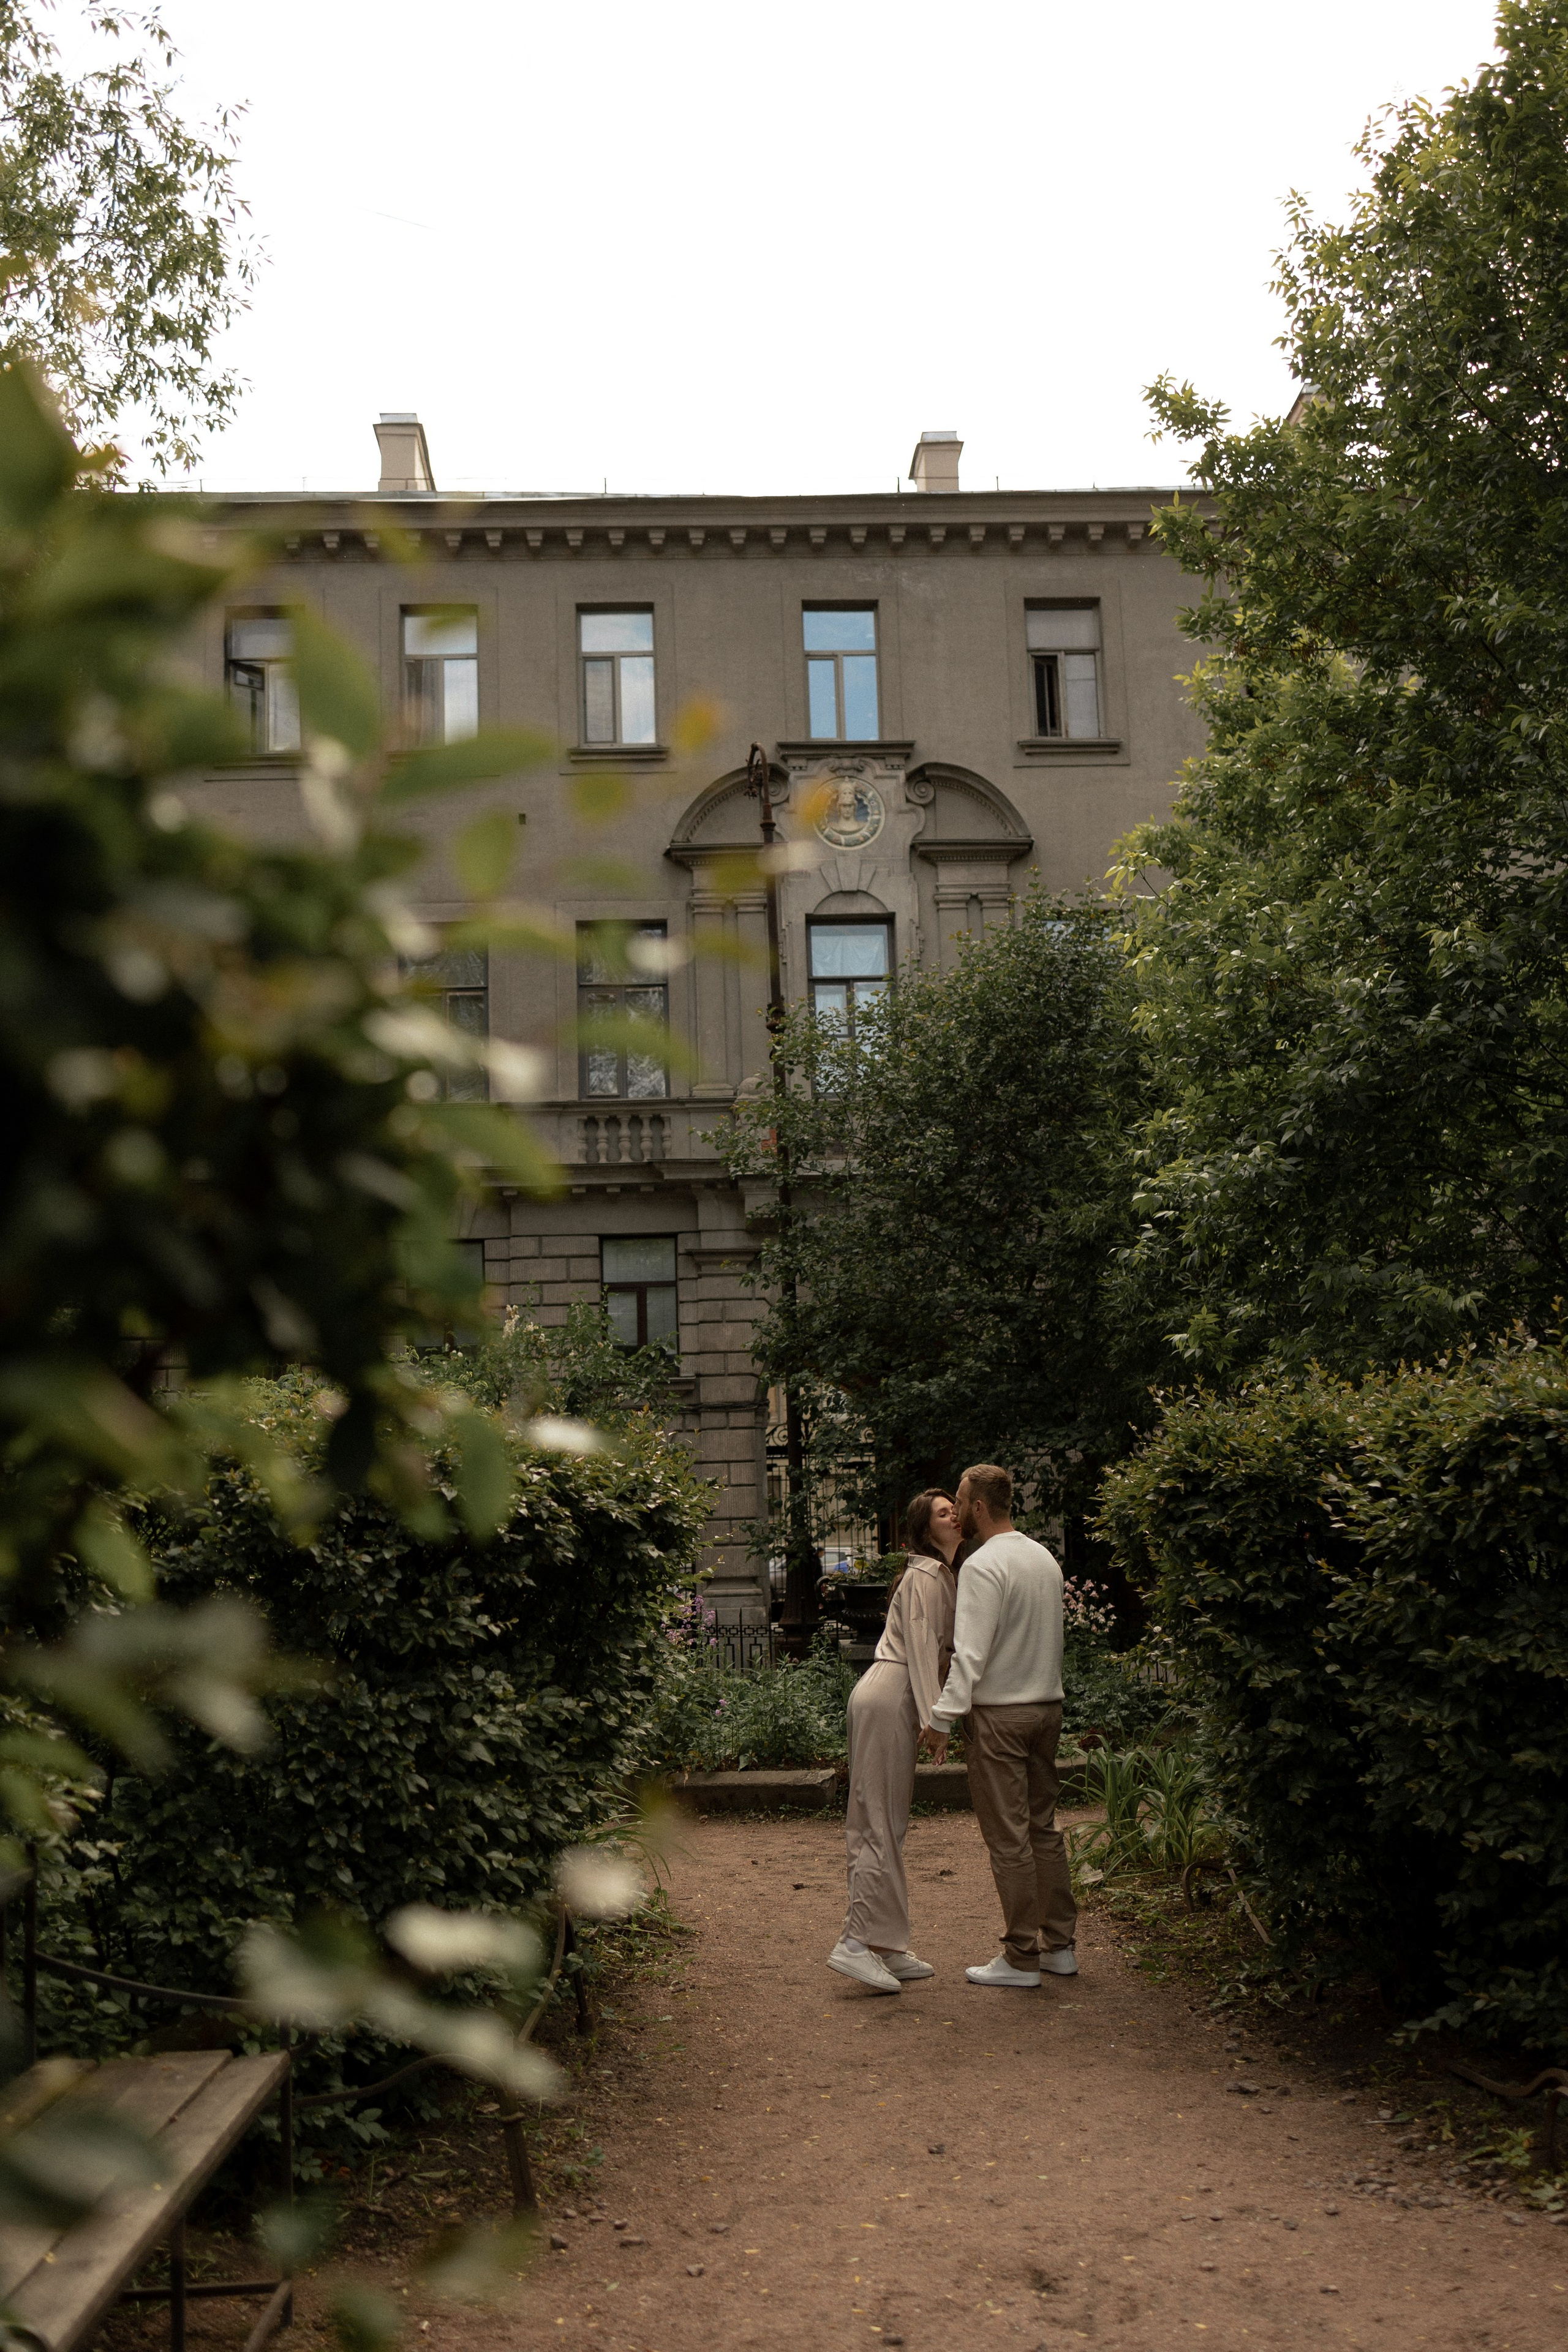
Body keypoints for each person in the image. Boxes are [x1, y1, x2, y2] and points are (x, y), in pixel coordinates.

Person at [922, 1462, 1077, 1987]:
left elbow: (969, 1655)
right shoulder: (1044, 1559)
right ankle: (1060, 1947)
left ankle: (1020, 1958)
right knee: (1043, 1830)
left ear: (980, 1507)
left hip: (1000, 1716)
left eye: (961, 1502)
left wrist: (942, 1718)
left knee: (1009, 1838)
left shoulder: (984, 1565)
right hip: (1046, 1709)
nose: (958, 1511)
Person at [827, 1488, 962, 1994]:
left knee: (885, 1821)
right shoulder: (927, 1575)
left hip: (889, 1692)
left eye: (954, 1508)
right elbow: (926, 1650)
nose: (954, 1515)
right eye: (943, 1513)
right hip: (894, 1692)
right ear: (927, 1530)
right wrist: (937, 1719)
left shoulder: (936, 1573)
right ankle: (856, 1944)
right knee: (879, 1820)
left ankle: (884, 1943)